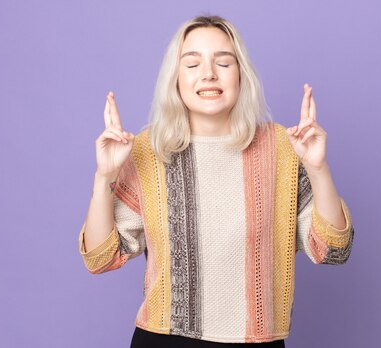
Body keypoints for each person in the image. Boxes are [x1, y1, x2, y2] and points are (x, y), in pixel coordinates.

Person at [78, 15, 355, 348]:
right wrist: (104, 177)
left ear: (241, 75)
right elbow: (99, 257)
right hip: (165, 339)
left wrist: (318, 167)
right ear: (175, 79)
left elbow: (334, 250)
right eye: (192, 64)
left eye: (223, 62)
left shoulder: (283, 147)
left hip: (258, 341)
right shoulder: (148, 151)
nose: (208, 73)